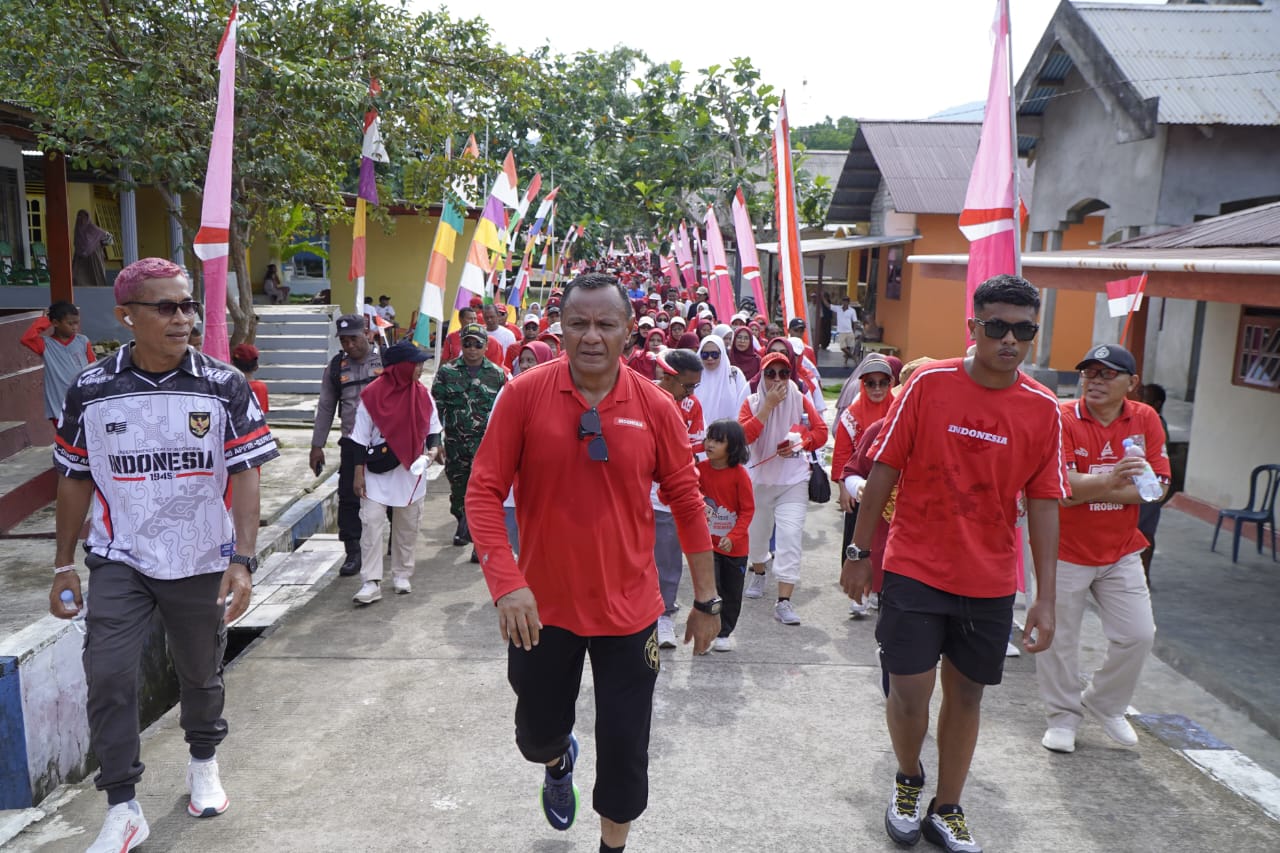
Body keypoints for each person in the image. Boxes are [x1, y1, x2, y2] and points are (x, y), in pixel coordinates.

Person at [466, 272, 718, 853]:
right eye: (578, 323)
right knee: (535, 735)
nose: (591, 336)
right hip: (541, 609)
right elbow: (482, 492)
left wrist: (707, 600)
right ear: (560, 329)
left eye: (606, 324)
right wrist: (507, 584)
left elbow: (686, 501)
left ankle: (612, 846)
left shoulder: (655, 406)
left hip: (630, 611)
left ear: (629, 331)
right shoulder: (523, 395)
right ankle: (558, 760)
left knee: (626, 748)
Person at [49, 257, 277, 853]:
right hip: (119, 556)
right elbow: (74, 478)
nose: (183, 318)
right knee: (108, 675)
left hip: (202, 558)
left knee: (199, 672)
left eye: (189, 305)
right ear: (126, 316)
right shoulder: (91, 389)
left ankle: (203, 762)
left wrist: (242, 559)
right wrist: (63, 564)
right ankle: (123, 806)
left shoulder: (223, 384)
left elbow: (246, 473)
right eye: (167, 307)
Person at [841, 274, 1066, 853]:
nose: (1009, 340)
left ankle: (948, 807)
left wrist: (1044, 597)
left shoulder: (1043, 408)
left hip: (988, 579)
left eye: (1023, 330)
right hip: (916, 565)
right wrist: (860, 553)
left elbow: (1044, 502)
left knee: (967, 696)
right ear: (974, 327)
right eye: (997, 327)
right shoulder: (928, 384)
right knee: (909, 691)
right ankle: (908, 779)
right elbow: (884, 468)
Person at [1036, 344, 1168, 755]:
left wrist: (1088, 487)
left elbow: (1157, 489)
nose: (1095, 380)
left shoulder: (1145, 419)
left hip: (1121, 549)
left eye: (1107, 374)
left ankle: (1105, 703)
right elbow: (1061, 489)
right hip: (1063, 549)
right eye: (1089, 372)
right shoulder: (1061, 417)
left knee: (1138, 634)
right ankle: (1062, 717)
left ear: (1131, 383)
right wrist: (1113, 481)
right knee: (1058, 639)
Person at [738, 351, 829, 624]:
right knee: (757, 537)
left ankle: (784, 601)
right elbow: (743, 436)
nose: (777, 379)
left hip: (794, 480)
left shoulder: (800, 398)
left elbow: (821, 432)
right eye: (771, 373)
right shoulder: (752, 402)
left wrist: (801, 442)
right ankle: (759, 572)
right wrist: (767, 407)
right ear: (762, 376)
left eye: (783, 373)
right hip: (760, 481)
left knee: (790, 536)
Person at [350, 342, 444, 604]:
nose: (420, 368)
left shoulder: (422, 395)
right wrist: (358, 473)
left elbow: (433, 428)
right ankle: (370, 581)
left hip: (411, 470)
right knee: (371, 523)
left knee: (407, 525)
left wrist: (434, 449)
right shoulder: (371, 396)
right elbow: (359, 438)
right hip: (377, 471)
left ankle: (402, 573)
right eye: (416, 363)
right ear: (400, 367)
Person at [311, 314, 384, 576]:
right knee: (349, 497)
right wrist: (317, 445)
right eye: (343, 340)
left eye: (353, 338)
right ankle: (353, 551)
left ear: (366, 333)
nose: (349, 345)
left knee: (392, 493)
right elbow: (326, 406)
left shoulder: (386, 360)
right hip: (352, 443)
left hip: (384, 441)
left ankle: (394, 546)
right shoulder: (335, 367)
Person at [433, 323, 505, 561]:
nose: (472, 349)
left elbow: (504, 412)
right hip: (456, 445)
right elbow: (435, 410)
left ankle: (477, 539)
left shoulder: (497, 375)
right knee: (458, 492)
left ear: (486, 346)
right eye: (467, 344)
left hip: (485, 446)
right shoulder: (447, 372)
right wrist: (435, 441)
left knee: (482, 494)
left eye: (477, 344)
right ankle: (462, 521)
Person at [831, 355, 896, 618]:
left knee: (886, 544)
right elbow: (842, 453)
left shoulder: (898, 411)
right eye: (871, 383)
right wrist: (844, 488)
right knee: (859, 539)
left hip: (892, 491)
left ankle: (880, 590)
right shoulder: (852, 415)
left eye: (883, 382)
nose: (877, 389)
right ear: (863, 385)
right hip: (860, 487)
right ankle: (860, 594)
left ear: (891, 384)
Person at [651, 348, 705, 649]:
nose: (690, 392)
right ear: (668, 376)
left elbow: (695, 447)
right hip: (633, 496)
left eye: (695, 386)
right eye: (687, 385)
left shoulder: (691, 405)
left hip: (667, 498)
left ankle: (665, 616)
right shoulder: (642, 396)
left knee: (668, 560)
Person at [698, 418, 755, 652]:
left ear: (733, 447)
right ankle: (706, 633)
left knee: (731, 593)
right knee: (709, 590)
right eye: (709, 438)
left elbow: (747, 510)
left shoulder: (740, 475)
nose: (710, 444)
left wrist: (733, 537)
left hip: (735, 548)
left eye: (718, 441)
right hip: (707, 546)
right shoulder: (699, 470)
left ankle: (724, 632)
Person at [21, 301, 96, 425]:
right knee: (66, 436)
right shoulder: (45, 344)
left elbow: (93, 366)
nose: (75, 327)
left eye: (77, 323)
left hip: (84, 400)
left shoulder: (83, 341)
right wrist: (45, 321)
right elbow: (27, 339)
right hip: (59, 405)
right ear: (55, 323)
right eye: (70, 323)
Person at [1138, 382, 1169, 585]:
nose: (1141, 401)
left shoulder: (1155, 423)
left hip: (1148, 484)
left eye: (1145, 397)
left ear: (1157, 403)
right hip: (1143, 483)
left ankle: (1145, 575)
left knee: (1145, 533)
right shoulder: (1147, 419)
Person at [695, 335, 749, 425]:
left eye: (714, 354)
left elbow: (743, 404)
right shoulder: (694, 376)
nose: (710, 358)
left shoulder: (735, 375)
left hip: (730, 431)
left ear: (722, 354)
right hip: (698, 431)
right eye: (705, 355)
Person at [72, 209, 112, 290]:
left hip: (94, 260)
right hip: (82, 262)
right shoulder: (78, 231)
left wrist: (101, 243)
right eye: (79, 217)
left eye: (83, 217)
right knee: (80, 282)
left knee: (95, 281)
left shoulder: (93, 229)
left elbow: (109, 239)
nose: (82, 220)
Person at [231, 343, 270, 414]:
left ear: (232, 365)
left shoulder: (230, 387)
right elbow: (263, 412)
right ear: (256, 367)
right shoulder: (261, 387)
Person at [834, 295, 860, 364]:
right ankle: (854, 357)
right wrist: (822, 298)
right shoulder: (838, 308)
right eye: (843, 301)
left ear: (848, 302)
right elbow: (829, 306)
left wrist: (854, 331)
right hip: (841, 331)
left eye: (846, 301)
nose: (844, 303)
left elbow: (855, 321)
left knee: (848, 347)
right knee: (842, 347)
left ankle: (845, 362)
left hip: (849, 331)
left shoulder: (852, 310)